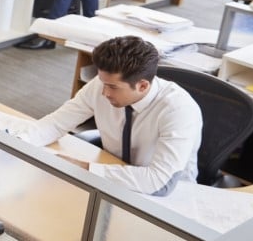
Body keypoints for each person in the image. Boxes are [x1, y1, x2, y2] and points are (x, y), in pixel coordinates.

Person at [11, 36, 202, 196]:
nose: (104, 93)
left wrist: (84, 168)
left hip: (165, 198)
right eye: (103, 82)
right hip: (111, 176)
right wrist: (18, 143)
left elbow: (158, 183)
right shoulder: (103, 84)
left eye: (112, 87)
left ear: (143, 86)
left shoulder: (179, 110)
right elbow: (57, 123)